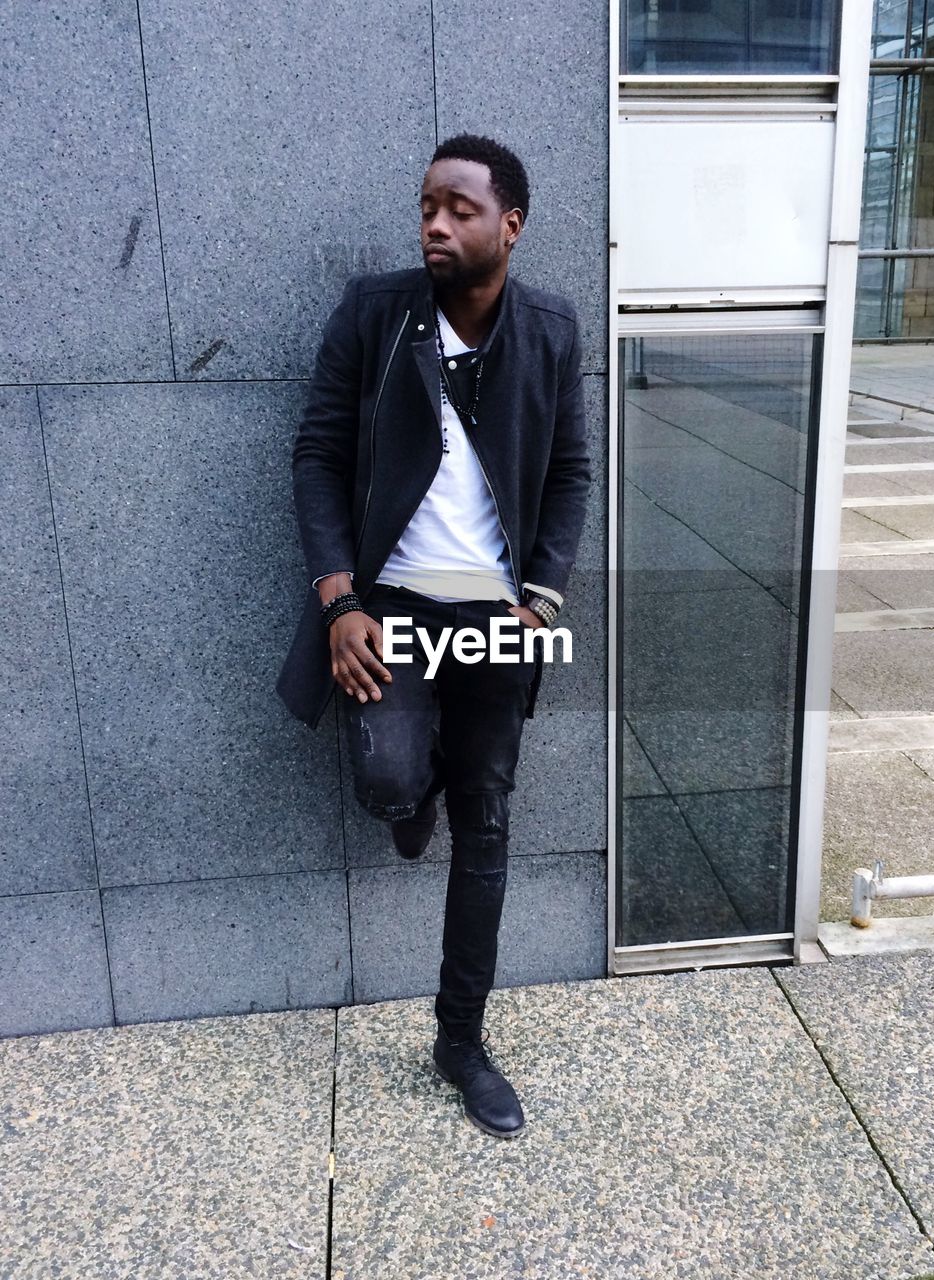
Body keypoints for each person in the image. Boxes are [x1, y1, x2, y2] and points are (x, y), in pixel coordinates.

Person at [276, 133, 590, 1138]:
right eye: (426, 205)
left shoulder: (548, 328)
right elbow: (319, 451)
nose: (435, 223)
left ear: (512, 223)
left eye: (459, 207)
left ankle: (462, 1039)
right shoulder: (377, 313)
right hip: (393, 607)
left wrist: (540, 599)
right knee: (387, 780)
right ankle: (417, 784)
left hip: (496, 611)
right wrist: (339, 599)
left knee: (486, 818)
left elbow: (574, 474)